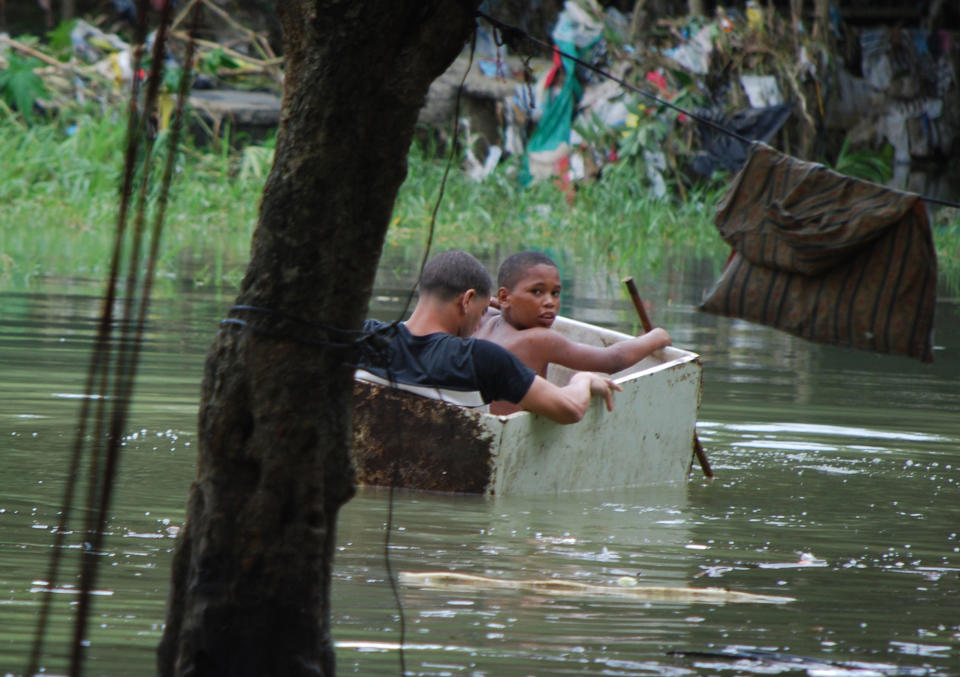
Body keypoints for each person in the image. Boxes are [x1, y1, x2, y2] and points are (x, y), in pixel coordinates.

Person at [355, 250, 620, 424]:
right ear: (468, 300)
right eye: (482, 312)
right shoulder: (482, 359)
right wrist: (582, 380)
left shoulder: (365, 337)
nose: (477, 326)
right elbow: (570, 410)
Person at [474, 251, 672, 415]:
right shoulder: (538, 340)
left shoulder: (483, 320)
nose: (549, 302)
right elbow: (613, 359)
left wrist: (500, 302)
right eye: (536, 292)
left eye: (556, 293)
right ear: (504, 297)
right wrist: (656, 337)